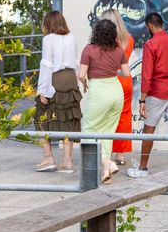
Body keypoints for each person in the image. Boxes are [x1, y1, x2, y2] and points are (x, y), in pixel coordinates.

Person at [127, 12, 168, 178]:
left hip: (156, 92)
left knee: (148, 130)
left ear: (149, 25)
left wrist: (142, 100)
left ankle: (142, 168)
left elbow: (147, 75)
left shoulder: (151, 44)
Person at [78, 18, 129, 183]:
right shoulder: (119, 50)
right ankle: (105, 173)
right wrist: (112, 71)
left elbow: (81, 74)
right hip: (116, 91)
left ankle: (107, 163)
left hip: (99, 91)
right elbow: (126, 73)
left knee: (88, 128)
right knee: (107, 132)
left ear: (96, 33)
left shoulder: (89, 50)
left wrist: (85, 83)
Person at [34, 10, 81, 173]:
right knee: (68, 119)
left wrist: (42, 90)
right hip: (71, 79)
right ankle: (67, 161)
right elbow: (75, 62)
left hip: (56, 79)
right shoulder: (71, 37)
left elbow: (47, 64)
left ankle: (48, 157)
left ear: (49, 24)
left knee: (39, 118)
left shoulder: (48, 39)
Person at [103, 9, 136, 168]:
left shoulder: (105, 41)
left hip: (110, 80)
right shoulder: (129, 39)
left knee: (107, 116)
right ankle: (120, 153)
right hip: (125, 80)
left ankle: (107, 152)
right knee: (124, 116)